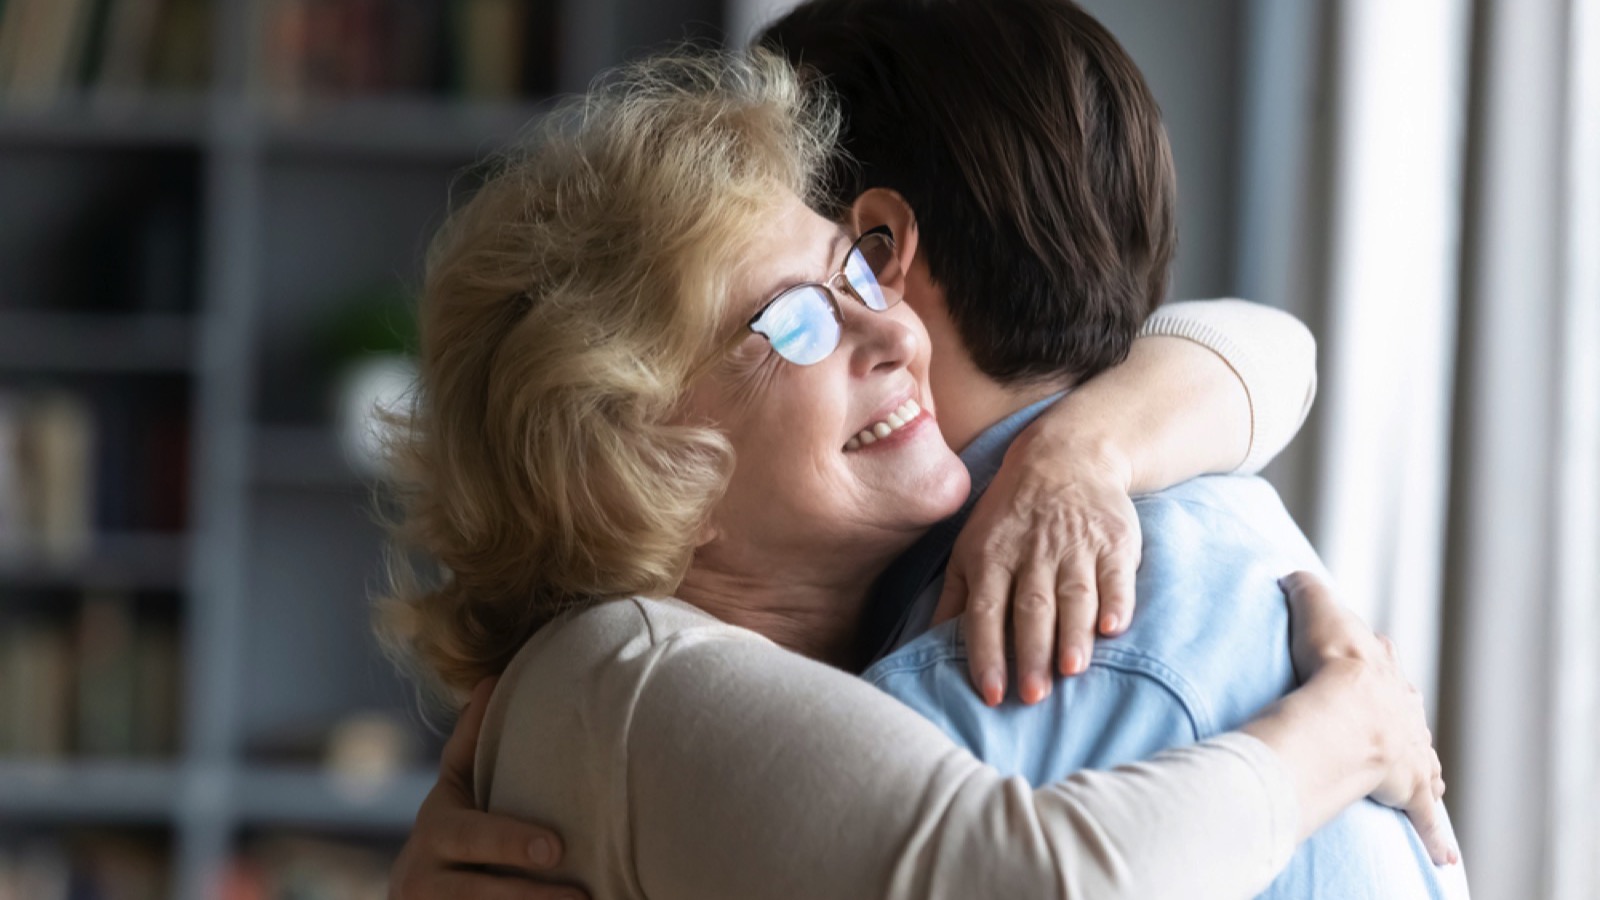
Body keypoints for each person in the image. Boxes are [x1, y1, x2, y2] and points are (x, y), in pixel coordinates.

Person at [378, 47, 1448, 900]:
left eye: (849, 266)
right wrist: (1338, 735)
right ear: (635, 459)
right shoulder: (630, 669)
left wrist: (1078, 450)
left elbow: (1265, 347)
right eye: (791, 320)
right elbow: (1025, 882)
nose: (887, 324)